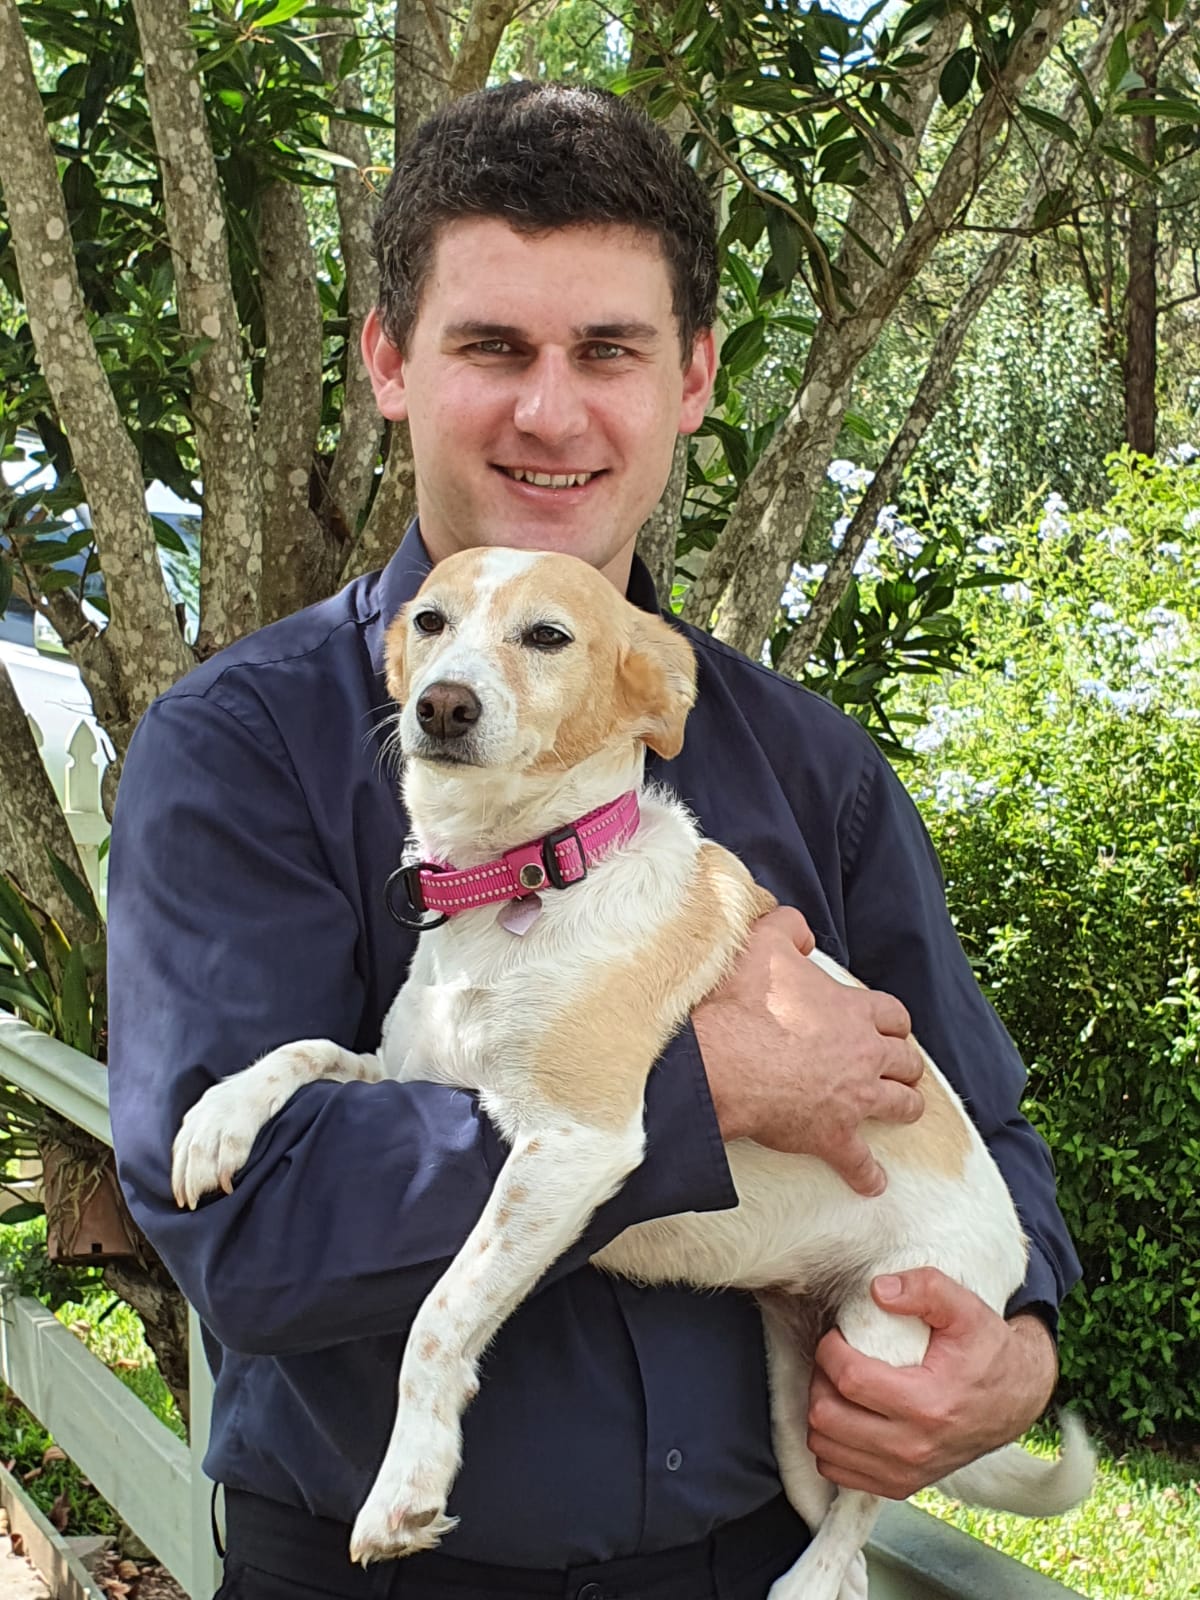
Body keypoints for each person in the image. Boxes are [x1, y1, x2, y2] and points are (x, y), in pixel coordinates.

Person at [107, 82, 1081, 1600]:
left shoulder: (806, 762)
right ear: (389, 364)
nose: (551, 412)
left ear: (691, 378)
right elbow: (248, 1228)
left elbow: (994, 1142)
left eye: (609, 351)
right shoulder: (239, 749)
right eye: (492, 346)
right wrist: (707, 1092)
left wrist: (1011, 1366)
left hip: (748, 1566)